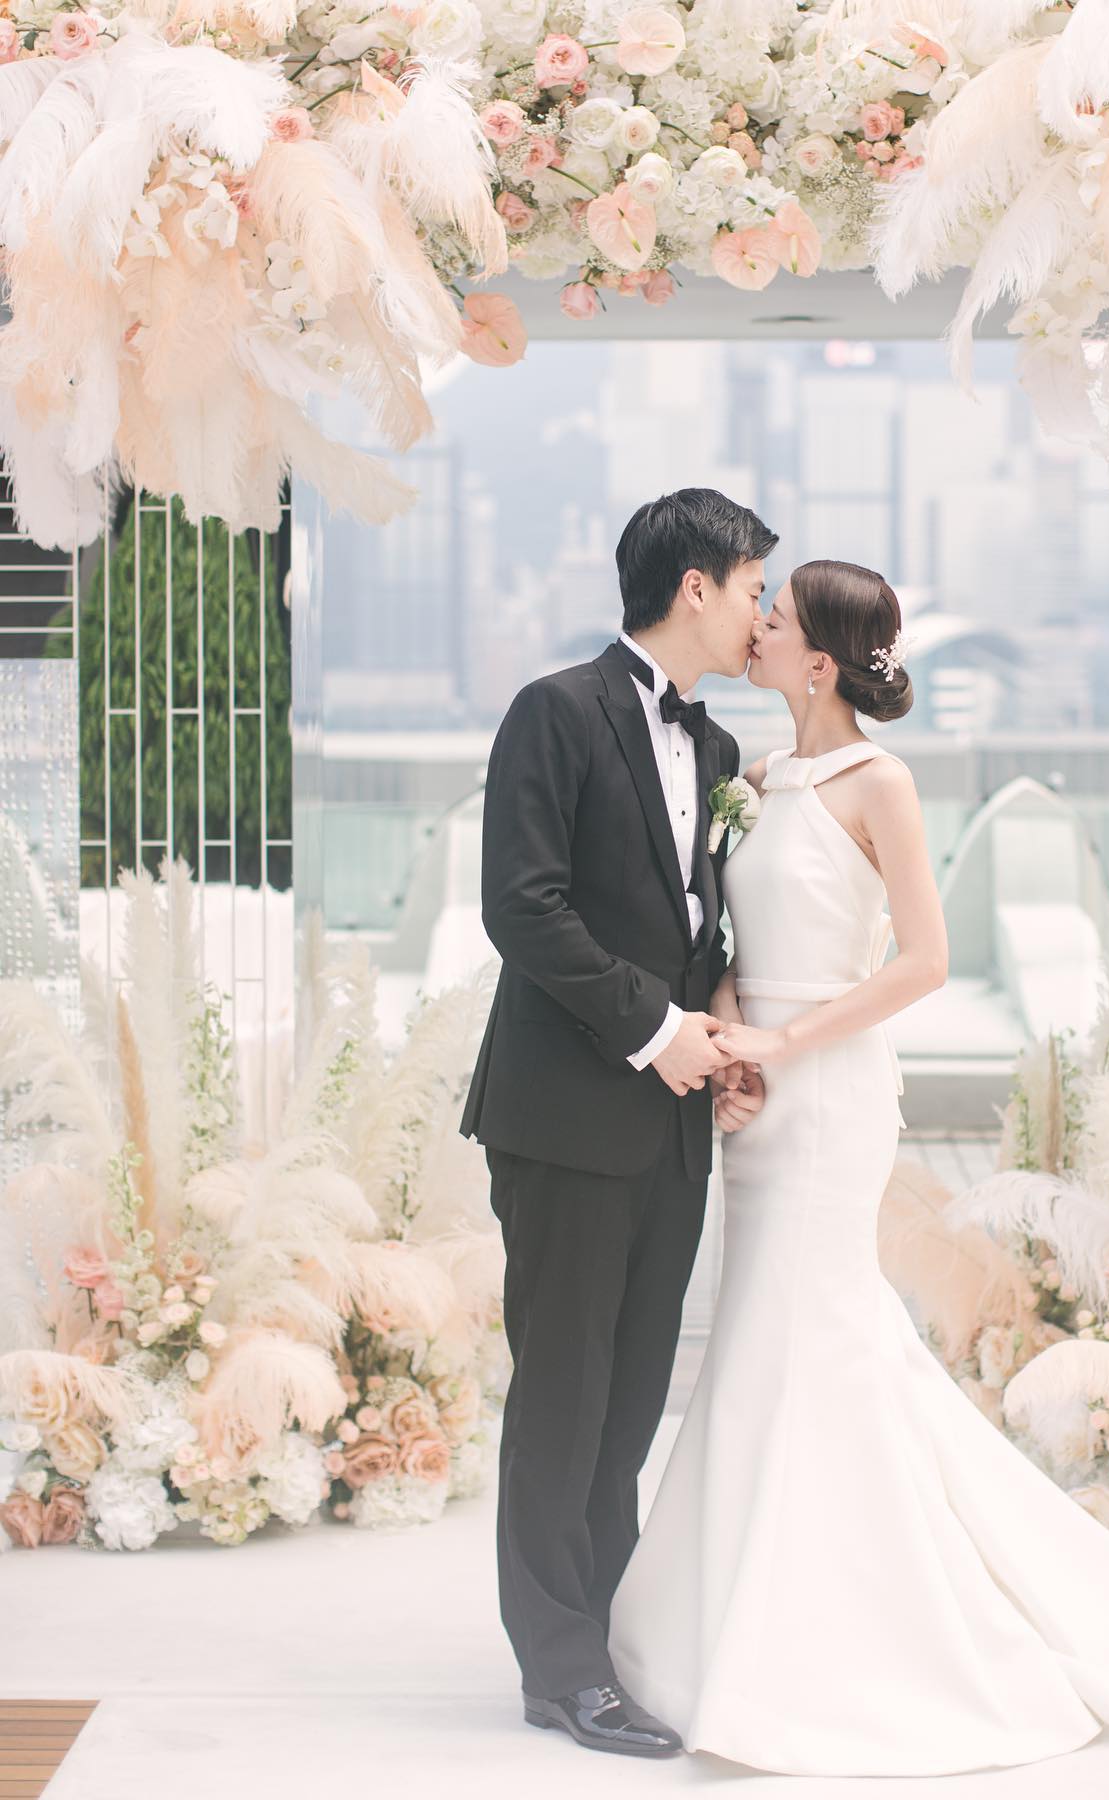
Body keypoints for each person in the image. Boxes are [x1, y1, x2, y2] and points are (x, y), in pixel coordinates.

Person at [607, 559, 1109, 1776]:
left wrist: (786, 1039)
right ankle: (739, 1619)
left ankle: (847, 1639)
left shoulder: (883, 782)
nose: (754, 627)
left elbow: (922, 960)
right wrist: (723, 1032)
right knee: (770, 1337)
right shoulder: (755, 782)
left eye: (777, 619)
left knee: (810, 1336)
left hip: (834, 1093)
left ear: (817, 663)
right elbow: (728, 937)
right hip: (762, 1090)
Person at [458, 488, 774, 1757]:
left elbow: (699, 931)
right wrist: (657, 1031)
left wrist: (721, 1034)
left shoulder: (720, 753)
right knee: (564, 1392)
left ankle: (609, 1626)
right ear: (694, 588)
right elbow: (523, 908)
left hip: (671, 1125)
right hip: (567, 1114)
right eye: (756, 587)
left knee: (637, 1388)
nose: (762, 612)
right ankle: (561, 1669)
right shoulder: (555, 711)